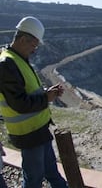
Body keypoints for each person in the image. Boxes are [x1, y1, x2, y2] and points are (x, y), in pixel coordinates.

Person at [0, 16, 68, 188]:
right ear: (23, 39)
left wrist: (47, 93)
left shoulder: (17, 59)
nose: (34, 50)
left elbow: (27, 92)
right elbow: (20, 104)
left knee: (51, 172)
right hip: (28, 134)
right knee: (34, 179)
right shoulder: (6, 64)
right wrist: (47, 98)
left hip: (39, 130)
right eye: (34, 45)